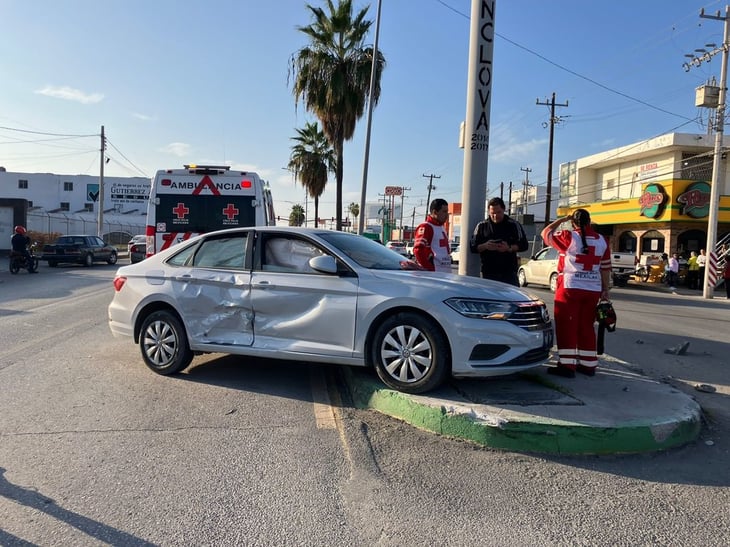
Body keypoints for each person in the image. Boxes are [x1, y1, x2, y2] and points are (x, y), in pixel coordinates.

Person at [541, 209, 611, 378]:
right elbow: (606, 268)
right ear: (590, 221)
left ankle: (567, 365)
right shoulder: (602, 240)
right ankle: (588, 364)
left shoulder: (568, 236)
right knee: (586, 326)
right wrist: (605, 290)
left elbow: (545, 233)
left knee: (567, 326)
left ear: (573, 222)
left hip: (569, 288)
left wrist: (562, 219)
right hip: (593, 289)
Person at [469, 197, 528, 286]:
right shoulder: (482, 226)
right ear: (488, 212)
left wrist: (509, 248)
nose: (495, 216)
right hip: (489, 273)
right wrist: (485, 246)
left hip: (509, 273)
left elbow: (524, 245)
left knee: (512, 299)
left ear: (504, 209)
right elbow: (473, 247)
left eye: (498, 212)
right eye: (492, 213)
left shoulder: (513, 225)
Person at [413, 198, 452, 273]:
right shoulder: (426, 227)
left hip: (445, 273)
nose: (447, 215)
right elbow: (418, 250)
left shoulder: (441, 227)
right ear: (434, 212)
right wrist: (429, 269)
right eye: (444, 212)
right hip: (434, 274)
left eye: (447, 212)